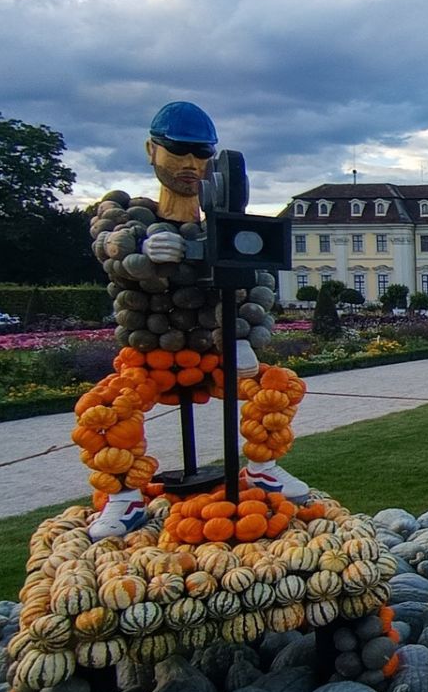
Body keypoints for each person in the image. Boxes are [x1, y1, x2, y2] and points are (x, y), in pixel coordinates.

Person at [77, 102, 311, 540]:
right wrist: (143, 248)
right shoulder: (129, 215)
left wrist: (241, 334)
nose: (189, 164)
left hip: (212, 353)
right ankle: (124, 499)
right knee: (103, 413)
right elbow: (108, 246)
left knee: (277, 387)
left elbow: (254, 281)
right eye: (177, 151)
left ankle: (263, 470)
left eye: (200, 154)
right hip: (152, 357)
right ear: (152, 150)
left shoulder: (220, 228)